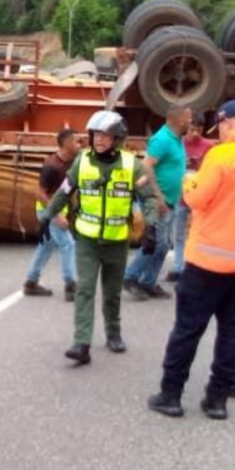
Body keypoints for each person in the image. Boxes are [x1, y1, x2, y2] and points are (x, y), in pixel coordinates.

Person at [147, 100, 235, 421]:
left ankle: (171, 395)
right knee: (233, 332)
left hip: (209, 261)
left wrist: (189, 180)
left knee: (188, 329)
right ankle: (217, 400)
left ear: (227, 124)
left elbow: (196, 198)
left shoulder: (221, 156)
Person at [39, 110, 158, 364]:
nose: (99, 140)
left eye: (106, 135)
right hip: (87, 240)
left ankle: (113, 333)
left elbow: (147, 198)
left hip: (117, 241)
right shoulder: (81, 163)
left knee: (112, 292)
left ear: (117, 139)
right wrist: (48, 216)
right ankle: (82, 343)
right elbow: (63, 192)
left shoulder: (131, 165)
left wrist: (152, 226)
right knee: (84, 289)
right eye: (96, 135)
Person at [123, 105, 191, 300]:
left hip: (171, 201)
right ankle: (130, 277)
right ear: (178, 120)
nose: (191, 122)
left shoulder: (177, 140)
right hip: (157, 201)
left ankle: (148, 282)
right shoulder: (162, 140)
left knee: (164, 244)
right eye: (189, 118)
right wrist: (158, 197)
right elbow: (146, 167)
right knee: (156, 243)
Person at [23, 128, 80, 301]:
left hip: (58, 210)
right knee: (68, 244)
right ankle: (71, 285)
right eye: (77, 141)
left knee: (46, 246)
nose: (80, 144)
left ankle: (31, 282)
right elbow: (40, 194)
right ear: (66, 143)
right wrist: (56, 215)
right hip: (48, 210)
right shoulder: (51, 166)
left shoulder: (72, 162)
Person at [165, 112, 216, 283]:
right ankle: (178, 266)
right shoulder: (178, 144)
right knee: (178, 234)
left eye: (199, 130)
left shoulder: (209, 146)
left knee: (200, 233)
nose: (195, 133)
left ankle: (198, 267)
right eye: (192, 129)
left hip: (200, 196)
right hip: (180, 195)